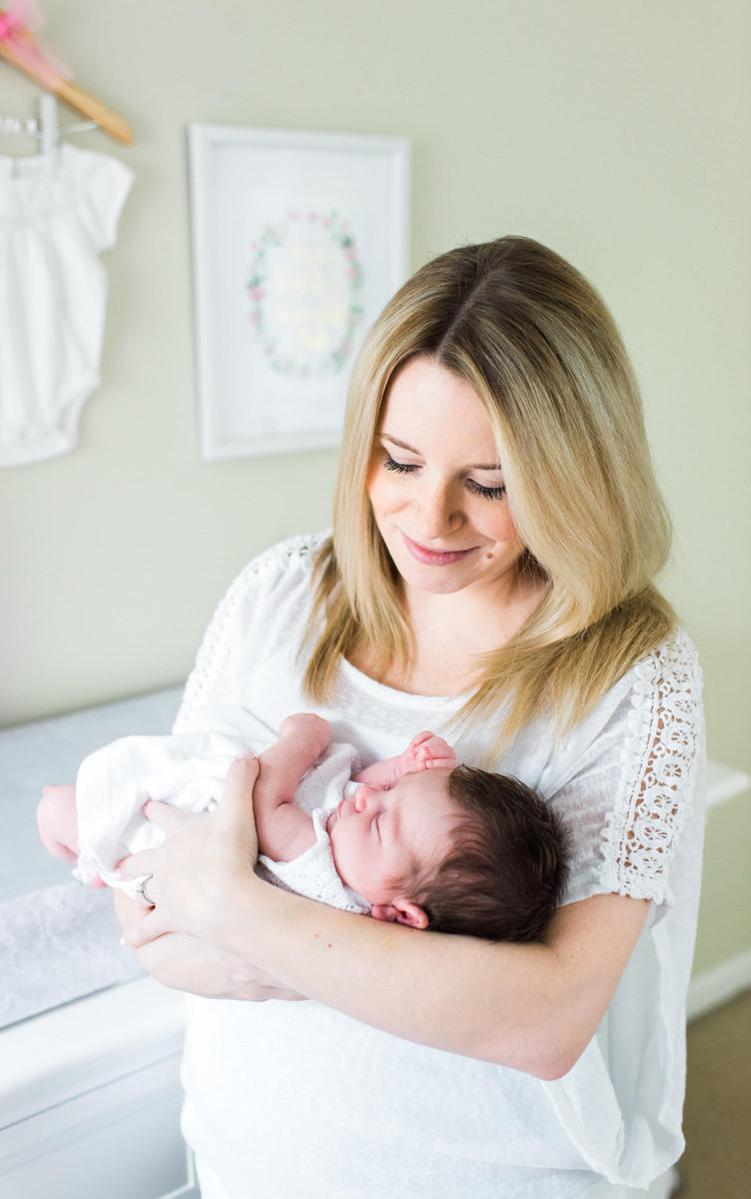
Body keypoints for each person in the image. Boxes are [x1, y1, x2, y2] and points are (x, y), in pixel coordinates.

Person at [113, 237, 705, 1199]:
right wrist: (416, 973)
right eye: (400, 459)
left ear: (573, 478)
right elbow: (145, 888)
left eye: (491, 483)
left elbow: (546, 1020)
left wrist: (236, 910)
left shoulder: (630, 672)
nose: (431, 519)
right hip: (244, 1164)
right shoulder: (279, 594)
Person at [37, 713, 567, 940]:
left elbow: (262, 805)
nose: (366, 801)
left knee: (69, 810)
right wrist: (403, 770)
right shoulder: (368, 857)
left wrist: (304, 738)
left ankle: (75, 850)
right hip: (190, 846)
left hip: (191, 830)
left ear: (402, 912)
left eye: (382, 819)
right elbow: (360, 783)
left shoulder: (323, 876)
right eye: (388, 795)